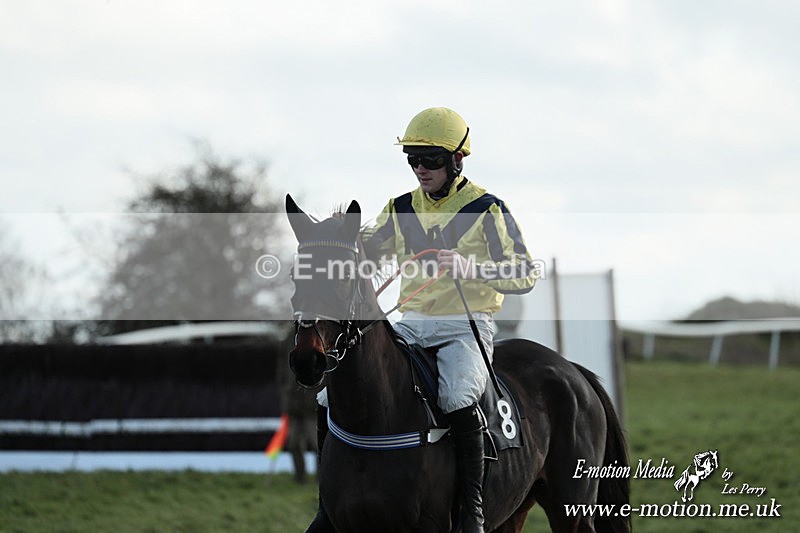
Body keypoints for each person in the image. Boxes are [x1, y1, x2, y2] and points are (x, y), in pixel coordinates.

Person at [312, 107, 538, 533]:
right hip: (410, 323)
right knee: (326, 398)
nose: (420, 168)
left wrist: (471, 269)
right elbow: (364, 251)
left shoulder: (488, 209)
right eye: (413, 158)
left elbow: (524, 273)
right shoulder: (399, 209)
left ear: (458, 160)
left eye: (431, 159)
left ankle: (470, 510)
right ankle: (328, 505)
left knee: (455, 396)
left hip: (463, 327)